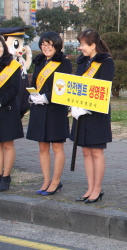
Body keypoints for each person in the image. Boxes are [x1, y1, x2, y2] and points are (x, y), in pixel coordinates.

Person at [70, 29, 115, 204]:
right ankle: (89, 188)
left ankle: (97, 189)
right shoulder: (82, 62)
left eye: (82, 44)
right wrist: (73, 105)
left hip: (96, 113)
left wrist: (87, 107)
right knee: (85, 152)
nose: (80, 48)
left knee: (96, 152)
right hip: (81, 114)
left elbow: (103, 89)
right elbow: (75, 85)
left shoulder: (106, 62)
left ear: (93, 45)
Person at [26, 32, 72, 196]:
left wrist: (47, 97)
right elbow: (34, 83)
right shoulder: (39, 61)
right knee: (42, 147)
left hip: (55, 110)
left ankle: (55, 181)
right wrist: (33, 95)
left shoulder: (64, 63)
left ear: (57, 46)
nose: (46, 47)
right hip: (39, 110)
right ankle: (46, 180)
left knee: (57, 147)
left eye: (50, 44)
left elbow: (65, 88)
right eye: (43, 44)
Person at [0, 35, 24, 191]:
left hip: (7, 109)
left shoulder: (13, 65)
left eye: (0, 46)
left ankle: (6, 176)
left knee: (7, 144)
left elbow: (15, 89)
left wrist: (1, 101)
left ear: (4, 47)